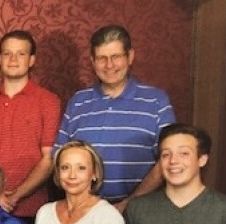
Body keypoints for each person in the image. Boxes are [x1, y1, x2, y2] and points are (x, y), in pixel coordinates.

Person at [55, 25, 176, 211]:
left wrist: (129, 204)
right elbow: (60, 155)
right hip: (84, 211)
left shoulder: (156, 101)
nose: (109, 65)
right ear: (92, 62)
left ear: (130, 56)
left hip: (140, 210)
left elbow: (167, 160)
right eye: (102, 58)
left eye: (116, 57)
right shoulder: (77, 102)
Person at [0, 30, 61, 223]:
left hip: (31, 210)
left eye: (21, 54)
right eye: (7, 53)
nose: (13, 59)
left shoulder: (49, 102)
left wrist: (15, 196)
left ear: (32, 60)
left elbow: (49, 159)